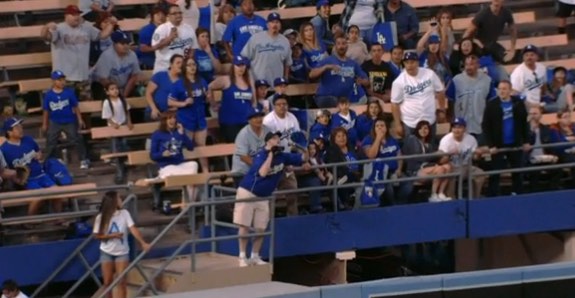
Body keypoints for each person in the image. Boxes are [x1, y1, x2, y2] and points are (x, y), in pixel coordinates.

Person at [234, 131, 307, 267]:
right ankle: (242, 256)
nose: (278, 140)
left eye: (278, 138)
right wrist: (270, 155)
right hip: (248, 192)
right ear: (268, 141)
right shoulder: (261, 155)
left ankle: (255, 255)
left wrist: (303, 147)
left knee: (261, 228)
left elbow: (304, 158)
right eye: (274, 138)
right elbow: (262, 172)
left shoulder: (283, 156)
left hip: (263, 196)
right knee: (244, 226)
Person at [40, 4, 115, 101]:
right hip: (64, 78)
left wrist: (111, 25)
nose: (76, 17)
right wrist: (46, 27)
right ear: (66, 16)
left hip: (83, 76)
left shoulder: (87, 28)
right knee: (65, 106)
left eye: (78, 14)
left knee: (87, 107)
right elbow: (45, 37)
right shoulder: (59, 29)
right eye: (73, 14)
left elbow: (102, 35)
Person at [93, 191, 150, 298]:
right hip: (106, 251)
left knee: (121, 281)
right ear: (113, 202)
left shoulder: (125, 213)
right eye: (119, 198)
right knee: (107, 282)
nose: (121, 200)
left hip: (122, 252)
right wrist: (111, 236)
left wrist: (143, 243)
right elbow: (96, 236)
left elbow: (133, 229)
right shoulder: (100, 217)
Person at [1, 118, 59, 215]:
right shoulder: (4, 150)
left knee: (59, 192)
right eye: (17, 127)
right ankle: (29, 221)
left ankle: (59, 218)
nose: (20, 129)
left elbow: (39, 152)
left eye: (20, 126)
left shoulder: (28, 139)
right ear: (9, 132)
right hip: (27, 180)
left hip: (41, 175)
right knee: (38, 196)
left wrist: (39, 155)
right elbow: (4, 170)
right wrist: (17, 178)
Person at [482, 80, 530, 197]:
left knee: (517, 171)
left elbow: (524, 123)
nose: (502, 91)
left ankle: (517, 193)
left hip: (515, 143)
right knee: (495, 172)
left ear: (510, 90)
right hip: (498, 145)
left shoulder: (518, 103)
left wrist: (526, 141)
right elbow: (486, 126)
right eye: (500, 89)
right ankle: (493, 195)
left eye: (504, 89)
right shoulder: (491, 105)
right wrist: (491, 145)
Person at [391, 52, 446, 139]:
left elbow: (440, 91)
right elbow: (394, 103)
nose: (409, 65)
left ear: (417, 62)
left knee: (430, 148)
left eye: (412, 62)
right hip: (410, 123)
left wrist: (442, 110)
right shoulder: (399, 81)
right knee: (412, 150)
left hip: (429, 120)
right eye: (407, 63)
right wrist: (398, 124)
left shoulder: (429, 74)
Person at [168, 56, 209, 172]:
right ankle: (187, 173)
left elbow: (206, 98)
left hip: (200, 119)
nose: (192, 67)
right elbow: (170, 101)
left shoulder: (202, 81)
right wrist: (184, 103)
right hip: (186, 120)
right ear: (184, 68)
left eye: (194, 65)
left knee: (202, 148)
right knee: (186, 148)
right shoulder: (178, 84)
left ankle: (206, 172)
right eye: (189, 65)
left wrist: (208, 98)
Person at [262, 94, 301, 216]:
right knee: (268, 193)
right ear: (274, 106)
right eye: (279, 104)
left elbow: (298, 138)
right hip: (272, 161)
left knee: (292, 190)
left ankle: (293, 218)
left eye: (284, 104)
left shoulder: (292, 118)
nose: (282, 107)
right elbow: (266, 143)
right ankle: (268, 222)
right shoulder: (268, 121)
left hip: (287, 159)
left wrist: (297, 154)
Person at [42, 71, 89, 169]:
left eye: (63, 80)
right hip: (55, 121)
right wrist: (45, 124)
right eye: (59, 80)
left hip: (69, 120)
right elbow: (46, 110)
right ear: (54, 81)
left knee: (76, 138)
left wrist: (80, 119)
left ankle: (83, 159)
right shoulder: (49, 95)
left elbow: (75, 107)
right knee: (51, 140)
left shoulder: (69, 92)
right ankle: (48, 161)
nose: (62, 82)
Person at [150, 112, 198, 208]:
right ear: (164, 121)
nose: (172, 120)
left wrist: (182, 134)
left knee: (194, 164)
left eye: (174, 118)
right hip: (166, 167)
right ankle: (188, 205)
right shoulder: (157, 134)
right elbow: (152, 155)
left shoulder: (178, 132)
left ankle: (187, 204)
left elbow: (191, 147)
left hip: (179, 165)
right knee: (191, 179)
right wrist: (162, 154)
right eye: (169, 118)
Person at [310, 34, 369, 108]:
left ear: (347, 46)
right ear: (335, 46)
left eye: (343, 44)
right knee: (336, 102)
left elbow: (366, 81)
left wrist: (363, 81)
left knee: (362, 100)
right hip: (326, 98)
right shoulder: (327, 60)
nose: (341, 46)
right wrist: (326, 67)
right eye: (338, 44)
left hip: (346, 99)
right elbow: (311, 75)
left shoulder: (353, 63)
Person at [208, 55, 254, 143]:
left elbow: (253, 101)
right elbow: (209, 87)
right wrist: (213, 103)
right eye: (238, 65)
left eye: (243, 65)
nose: (241, 68)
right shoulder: (226, 80)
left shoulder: (249, 81)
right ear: (233, 66)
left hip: (246, 121)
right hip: (230, 122)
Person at [402, 120, 451, 202]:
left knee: (448, 167)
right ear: (417, 129)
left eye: (426, 128)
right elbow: (419, 157)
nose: (423, 131)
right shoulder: (412, 139)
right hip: (415, 170)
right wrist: (436, 154)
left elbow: (433, 159)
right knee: (440, 169)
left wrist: (443, 156)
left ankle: (441, 193)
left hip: (428, 168)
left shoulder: (429, 143)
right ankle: (433, 195)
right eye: (421, 128)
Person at [362, 117, 407, 205]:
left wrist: (399, 169)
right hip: (379, 173)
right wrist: (378, 139)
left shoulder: (392, 140)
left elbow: (399, 156)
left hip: (394, 171)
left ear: (386, 128)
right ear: (374, 129)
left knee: (407, 183)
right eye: (377, 126)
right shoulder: (368, 139)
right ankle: (392, 205)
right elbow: (371, 155)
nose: (379, 128)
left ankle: (400, 203)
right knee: (388, 189)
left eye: (382, 126)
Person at [438, 118, 486, 199]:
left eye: (459, 127)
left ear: (464, 129)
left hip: (467, 166)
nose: (457, 130)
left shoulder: (471, 139)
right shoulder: (446, 140)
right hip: (452, 167)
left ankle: (475, 198)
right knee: (450, 175)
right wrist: (450, 155)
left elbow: (475, 158)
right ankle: (451, 200)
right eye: (454, 127)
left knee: (480, 174)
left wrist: (478, 154)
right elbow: (440, 161)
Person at [241, 12, 292, 85]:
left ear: (280, 25)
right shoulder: (256, 38)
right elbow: (244, 57)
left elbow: (287, 63)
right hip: (258, 84)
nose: (275, 25)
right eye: (272, 22)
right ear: (267, 24)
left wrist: (285, 79)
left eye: (277, 22)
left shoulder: (285, 41)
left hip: (276, 84)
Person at [453, 55, 494, 143]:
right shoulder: (456, 80)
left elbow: (492, 102)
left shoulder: (487, 80)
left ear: (478, 65)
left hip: (480, 124)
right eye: (466, 65)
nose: (468, 67)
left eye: (471, 64)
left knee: (480, 154)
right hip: (462, 126)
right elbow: (450, 101)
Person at [93, 30, 142, 98]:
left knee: (137, 97)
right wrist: (116, 93)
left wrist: (124, 95)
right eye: (122, 43)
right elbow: (103, 79)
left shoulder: (132, 55)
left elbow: (134, 76)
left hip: (124, 87)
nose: (125, 46)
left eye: (127, 43)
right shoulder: (106, 56)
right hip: (104, 87)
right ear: (114, 44)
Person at [151, 4, 199, 73]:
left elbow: (193, 48)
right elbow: (154, 47)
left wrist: (187, 62)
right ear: (168, 16)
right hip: (163, 68)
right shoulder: (161, 29)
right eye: (174, 13)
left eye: (180, 13)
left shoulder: (189, 28)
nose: (178, 15)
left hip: (181, 68)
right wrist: (169, 38)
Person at [102, 82, 133, 183]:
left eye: (116, 88)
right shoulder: (107, 102)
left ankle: (124, 163)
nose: (115, 90)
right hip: (114, 128)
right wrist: (113, 123)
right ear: (107, 92)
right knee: (116, 148)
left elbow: (127, 111)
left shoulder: (122, 100)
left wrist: (129, 121)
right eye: (112, 89)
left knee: (124, 145)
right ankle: (119, 170)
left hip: (123, 125)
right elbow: (107, 117)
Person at [232, 108, 270, 184]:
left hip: (260, 171)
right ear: (249, 120)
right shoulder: (243, 134)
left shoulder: (267, 130)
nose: (259, 119)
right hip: (243, 173)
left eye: (260, 116)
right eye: (255, 117)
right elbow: (244, 157)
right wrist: (260, 167)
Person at [326, 127, 361, 209]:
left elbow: (360, 160)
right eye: (339, 136)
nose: (342, 138)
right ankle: (342, 205)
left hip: (356, 175)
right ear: (334, 139)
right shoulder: (331, 151)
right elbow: (333, 166)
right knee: (339, 182)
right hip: (342, 176)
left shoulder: (352, 148)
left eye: (343, 135)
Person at [526, 106, 559, 192]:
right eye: (531, 114)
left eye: (535, 113)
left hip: (544, 157)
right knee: (534, 172)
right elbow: (527, 144)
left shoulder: (546, 129)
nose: (533, 116)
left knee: (557, 168)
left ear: (540, 115)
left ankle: (553, 191)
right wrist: (532, 130)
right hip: (529, 159)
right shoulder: (524, 129)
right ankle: (534, 193)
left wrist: (553, 156)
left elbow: (550, 144)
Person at [145, 54, 183, 121]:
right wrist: (154, 108)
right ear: (171, 65)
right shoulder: (159, 76)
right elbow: (148, 93)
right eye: (178, 63)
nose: (181, 65)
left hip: (174, 112)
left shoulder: (183, 80)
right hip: (157, 110)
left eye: (182, 63)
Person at [510, 45, 547, 109]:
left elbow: (543, 87)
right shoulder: (518, 72)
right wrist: (529, 104)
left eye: (532, 55)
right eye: (526, 55)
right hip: (524, 105)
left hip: (539, 103)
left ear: (537, 57)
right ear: (523, 57)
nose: (529, 57)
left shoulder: (542, 68)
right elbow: (514, 94)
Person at [549, 110, 575, 187]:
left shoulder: (573, 127)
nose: (568, 119)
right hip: (561, 154)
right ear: (559, 119)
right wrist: (567, 140)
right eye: (565, 117)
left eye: (569, 116)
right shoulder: (554, 129)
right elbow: (557, 146)